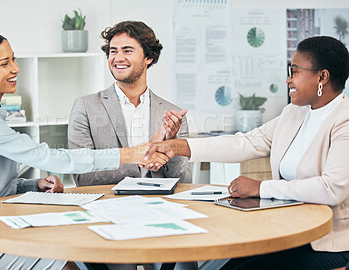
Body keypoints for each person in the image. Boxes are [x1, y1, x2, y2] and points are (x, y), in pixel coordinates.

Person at [0, 31, 168, 270]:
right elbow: (52, 158)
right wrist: (130, 153)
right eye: (5, 63)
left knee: (66, 256)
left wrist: (33, 185)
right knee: (64, 264)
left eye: (14, 59)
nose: (15, 69)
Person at [145, 36, 349, 270]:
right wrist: (179, 146)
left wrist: (260, 187)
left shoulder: (344, 120)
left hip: (325, 241)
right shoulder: (295, 113)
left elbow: (331, 188)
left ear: (322, 77)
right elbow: (248, 142)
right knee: (219, 265)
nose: (288, 79)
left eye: (294, 71)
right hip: (288, 228)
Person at [68, 20, 192, 187]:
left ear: (148, 57)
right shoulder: (85, 107)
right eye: (113, 51)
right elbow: (82, 177)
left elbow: (185, 182)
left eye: (127, 50)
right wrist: (138, 160)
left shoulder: (174, 116)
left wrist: (172, 145)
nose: (118, 58)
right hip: (108, 206)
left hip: (161, 205)